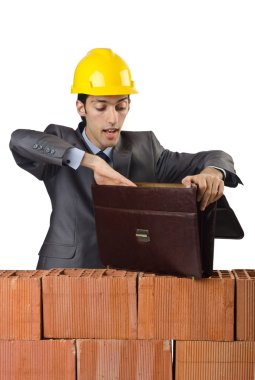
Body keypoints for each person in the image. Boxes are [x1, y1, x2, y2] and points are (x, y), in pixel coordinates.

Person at [10, 48, 242, 269]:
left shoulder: (146, 148)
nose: (113, 119)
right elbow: (19, 140)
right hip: (65, 272)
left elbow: (217, 156)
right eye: (101, 107)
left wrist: (212, 172)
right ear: (81, 108)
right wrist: (89, 161)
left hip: (130, 278)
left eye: (121, 106)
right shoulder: (60, 140)